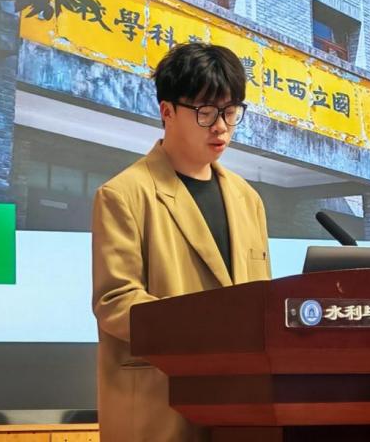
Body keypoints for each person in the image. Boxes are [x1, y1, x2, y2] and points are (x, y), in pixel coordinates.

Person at [91, 43, 272, 442]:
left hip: (241, 409)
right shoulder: (124, 194)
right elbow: (115, 302)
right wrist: (207, 327)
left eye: (230, 111)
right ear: (167, 111)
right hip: (162, 406)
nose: (221, 126)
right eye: (206, 111)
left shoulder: (248, 199)